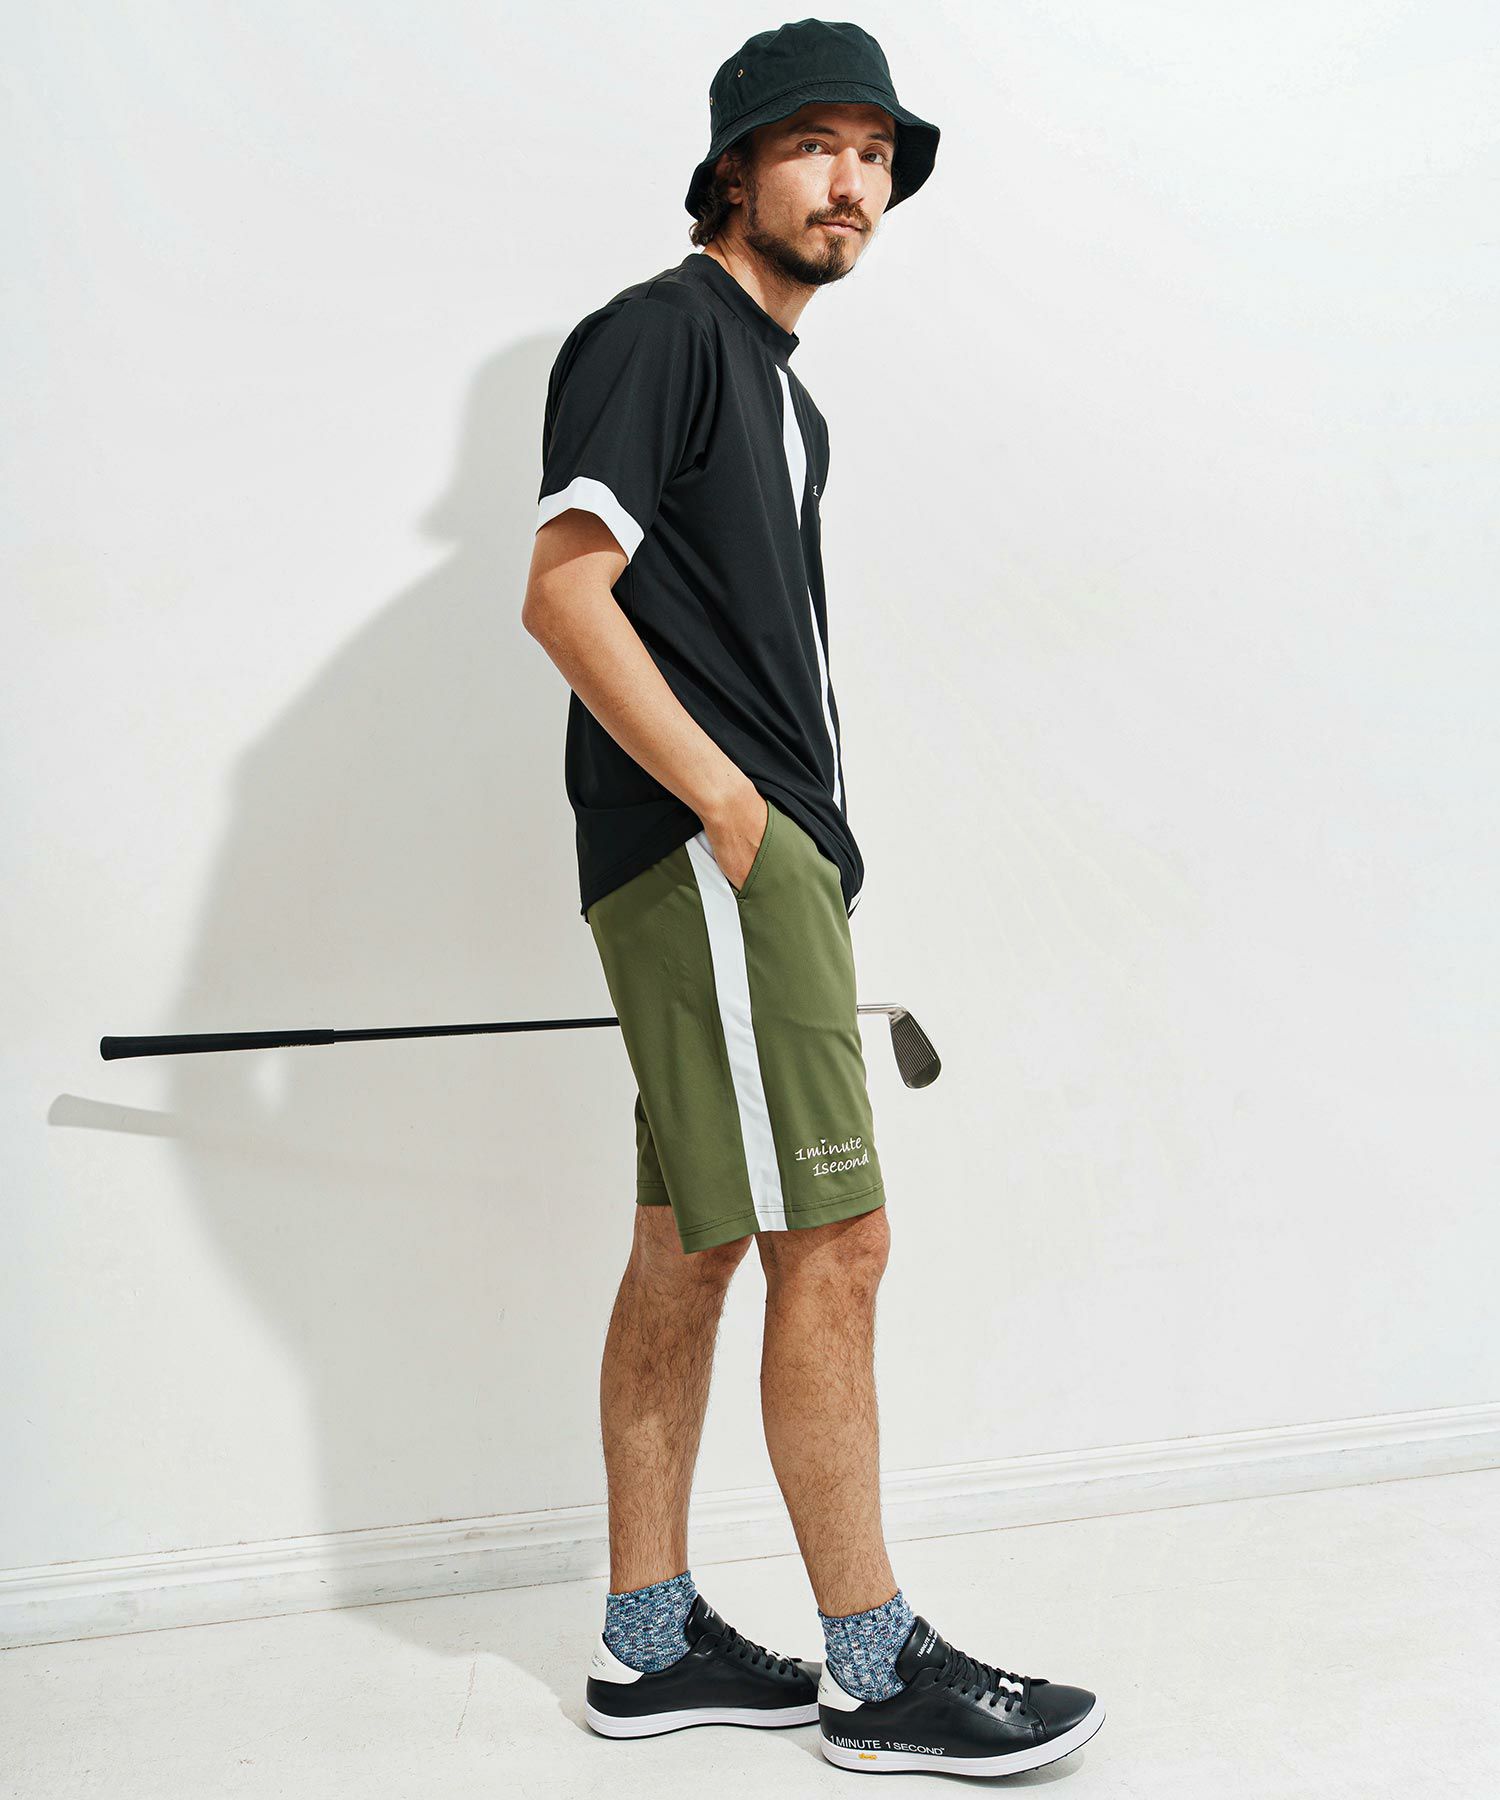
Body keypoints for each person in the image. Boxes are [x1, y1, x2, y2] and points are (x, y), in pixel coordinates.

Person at [521, 18, 1105, 1779]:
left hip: (746, 858)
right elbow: (564, 590)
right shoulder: (663, 333)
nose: (852, 183)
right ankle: (876, 1667)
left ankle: (648, 1646)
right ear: (735, 171)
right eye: (815, 147)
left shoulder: (784, 391)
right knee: (834, 1243)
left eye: (875, 156)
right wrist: (733, 810)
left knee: (691, 1240)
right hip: (717, 853)